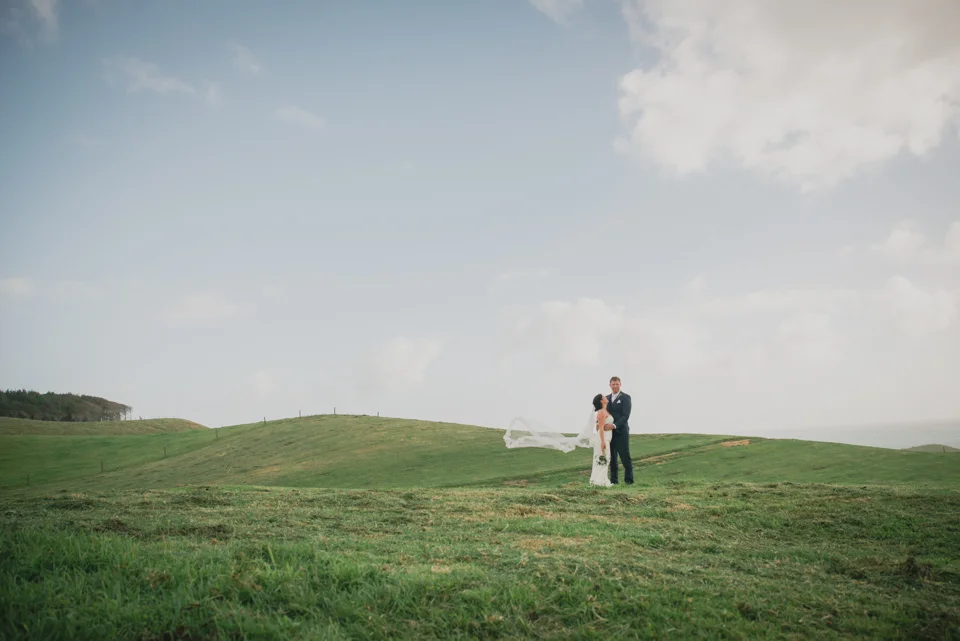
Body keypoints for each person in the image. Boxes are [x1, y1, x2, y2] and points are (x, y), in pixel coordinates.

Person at [606, 376, 634, 484]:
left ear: (620, 384)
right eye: (613, 384)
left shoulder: (626, 397)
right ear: (610, 385)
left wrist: (614, 425)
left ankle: (629, 481)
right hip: (609, 433)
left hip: (621, 432)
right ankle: (614, 481)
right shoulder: (606, 398)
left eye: (617, 384)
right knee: (612, 458)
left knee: (625, 456)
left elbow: (625, 415)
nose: (615, 386)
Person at [589, 393, 615, 487]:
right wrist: (603, 442)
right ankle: (598, 482)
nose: (606, 397)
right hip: (602, 439)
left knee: (606, 459)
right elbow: (601, 429)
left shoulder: (605, 411)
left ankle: (602, 480)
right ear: (601, 401)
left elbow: (600, 424)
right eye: (604, 397)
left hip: (607, 439)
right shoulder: (601, 412)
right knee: (603, 459)